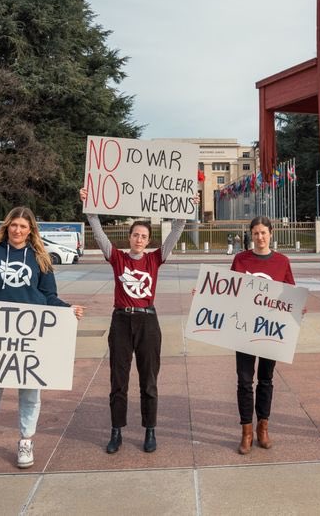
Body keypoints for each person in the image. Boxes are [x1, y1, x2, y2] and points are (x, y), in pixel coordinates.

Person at [0, 207, 84, 480]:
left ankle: (26, 441)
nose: (18, 230)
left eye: (23, 226)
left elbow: (49, 297)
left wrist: (69, 310)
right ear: (7, 226)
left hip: (32, 338)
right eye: (14, 225)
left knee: (30, 393)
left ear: (31, 230)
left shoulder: (40, 258)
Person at [80, 187, 195, 454]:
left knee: (149, 380)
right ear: (129, 237)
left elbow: (175, 234)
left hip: (147, 323)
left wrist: (186, 212)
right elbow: (98, 235)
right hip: (121, 321)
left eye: (144, 236)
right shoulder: (117, 258)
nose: (139, 240)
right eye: (135, 235)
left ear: (148, 240)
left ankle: (150, 430)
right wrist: (90, 208)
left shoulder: (155, 259)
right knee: (118, 380)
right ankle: (116, 430)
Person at [231, 216, 297, 454]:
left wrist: (298, 308)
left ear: (271, 234)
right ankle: (246, 433)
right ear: (251, 235)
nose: (260, 237)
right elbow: (229, 291)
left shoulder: (282, 261)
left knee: (266, 380)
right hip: (245, 329)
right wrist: (208, 295)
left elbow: (290, 293)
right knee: (245, 382)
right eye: (256, 233)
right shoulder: (240, 260)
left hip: (270, 330)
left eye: (263, 233)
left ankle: (263, 429)